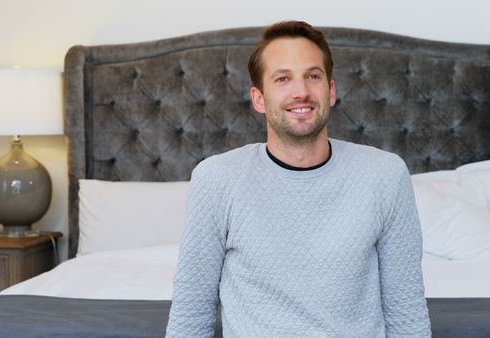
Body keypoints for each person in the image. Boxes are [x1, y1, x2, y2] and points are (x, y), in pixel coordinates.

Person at [166, 21, 431, 337]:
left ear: (331, 91)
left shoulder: (385, 176)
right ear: (259, 98)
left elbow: (407, 316)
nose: (301, 91)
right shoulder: (217, 180)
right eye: (282, 79)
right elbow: (190, 315)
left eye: (313, 76)